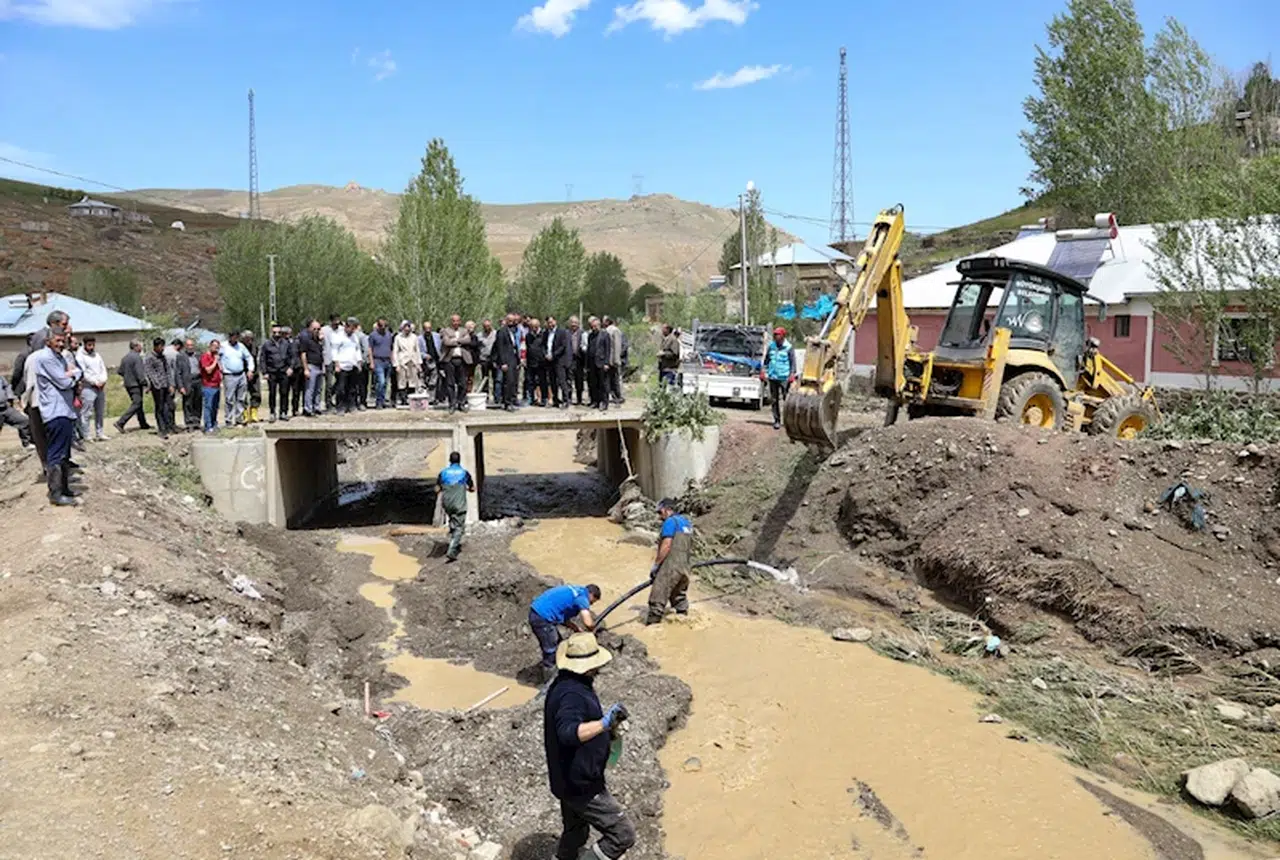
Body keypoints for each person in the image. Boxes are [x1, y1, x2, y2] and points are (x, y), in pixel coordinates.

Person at [544, 631, 636, 860]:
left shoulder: (566, 683)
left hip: (565, 777)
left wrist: (608, 731)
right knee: (622, 834)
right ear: (588, 666)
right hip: (581, 784)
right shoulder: (572, 695)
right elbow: (568, 733)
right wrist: (604, 724)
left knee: (576, 832)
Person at [34, 328, 82, 506]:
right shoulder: (45, 358)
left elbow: (75, 372)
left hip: (65, 409)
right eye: (58, 341)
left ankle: (65, 488)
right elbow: (64, 382)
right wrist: (72, 375)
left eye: (63, 341)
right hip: (56, 411)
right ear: (48, 341)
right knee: (56, 452)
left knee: (64, 452)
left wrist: (73, 374)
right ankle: (56, 492)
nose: (61, 344)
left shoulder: (59, 357)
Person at [529, 583, 602, 680]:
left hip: (539, 612)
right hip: (542, 617)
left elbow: (562, 617)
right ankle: (549, 682)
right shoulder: (582, 597)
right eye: (592, 602)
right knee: (551, 650)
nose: (590, 604)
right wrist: (591, 630)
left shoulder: (576, 591)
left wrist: (576, 628)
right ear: (591, 595)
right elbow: (588, 623)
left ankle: (560, 672)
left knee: (560, 645)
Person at [647, 499, 693, 625]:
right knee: (679, 597)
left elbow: (667, 545)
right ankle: (683, 624)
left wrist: (656, 565)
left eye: (660, 512)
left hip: (671, 567)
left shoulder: (670, 522)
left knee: (657, 598)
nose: (659, 516)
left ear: (667, 510)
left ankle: (652, 629)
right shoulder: (686, 523)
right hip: (685, 567)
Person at [436, 451, 475, 562]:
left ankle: (453, 540)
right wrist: (467, 488)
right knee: (459, 527)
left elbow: (437, 489)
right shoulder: (464, 473)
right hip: (459, 505)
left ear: (450, 460)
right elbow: (472, 488)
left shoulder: (443, 473)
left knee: (452, 520)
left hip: (447, 504)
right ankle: (452, 551)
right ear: (459, 460)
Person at [761, 326, 797, 431]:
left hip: (784, 377)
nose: (776, 336)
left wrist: (792, 374)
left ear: (783, 336)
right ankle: (776, 420)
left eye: (778, 335)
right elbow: (766, 360)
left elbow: (793, 363)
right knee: (774, 400)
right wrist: (763, 371)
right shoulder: (771, 347)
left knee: (787, 400)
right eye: (775, 335)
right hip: (773, 377)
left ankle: (788, 422)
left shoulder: (789, 347)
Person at [259, 325, 295, 422]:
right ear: (271, 333)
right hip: (272, 372)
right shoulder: (267, 344)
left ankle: (283, 412)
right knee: (272, 393)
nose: (277, 334)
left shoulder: (286, 343)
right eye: (275, 332)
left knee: (284, 393)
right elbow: (262, 359)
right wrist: (264, 372)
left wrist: (291, 368)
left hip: (284, 371)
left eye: (279, 332)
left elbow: (292, 356)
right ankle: (272, 413)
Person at [76, 336, 108, 441]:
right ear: (84, 344)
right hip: (88, 387)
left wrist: (103, 380)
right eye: (89, 345)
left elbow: (102, 368)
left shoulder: (97, 355)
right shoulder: (80, 357)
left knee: (100, 411)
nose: (92, 347)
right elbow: (83, 372)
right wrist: (94, 382)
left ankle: (100, 433)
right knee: (86, 412)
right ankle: (86, 434)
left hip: (100, 386)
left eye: (93, 345)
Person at [115, 339, 150, 433]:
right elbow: (140, 373)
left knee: (139, 404)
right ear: (136, 347)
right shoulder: (137, 358)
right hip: (135, 384)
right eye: (140, 346)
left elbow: (120, 371)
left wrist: (128, 376)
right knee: (137, 403)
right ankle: (121, 422)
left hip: (128, 384)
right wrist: (145, 383)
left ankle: (143, 423)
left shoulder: (125, 357)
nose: (141, 347)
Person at [220, 330, 254, 427]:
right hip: (229, 375)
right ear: (229, 337)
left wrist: (250, 370)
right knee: (229, 399)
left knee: (241, 398)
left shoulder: (241, 346)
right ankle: (229, 420)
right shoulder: (223, 346)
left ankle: (239, 419)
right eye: (233, 337)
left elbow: (249, 357)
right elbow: (217, 357)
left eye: (236, 337)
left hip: (241, 375)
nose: (235, 339)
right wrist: (221, 367)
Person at [145, 336, 176, 439]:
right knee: (160, 407)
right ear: (156, 346)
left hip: (166, 385)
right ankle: (162, 429)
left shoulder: (163, 357)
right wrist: (156, 384)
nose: (162, 348)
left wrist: (170, 384)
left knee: (168, 406)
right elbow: (150, 372)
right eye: (160, 346)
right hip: (157, 387)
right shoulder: (150, 357)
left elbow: (168, 371)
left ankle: (169, 426)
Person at [440, 314, 471, 413]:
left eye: (457, 321)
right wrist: (460, 341)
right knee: (450, 383)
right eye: (454, 321)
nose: (456, 323)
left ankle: (460, 403)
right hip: (450, 360)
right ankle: (452, 404)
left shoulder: (464, 330)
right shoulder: (446, 331)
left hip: (462, 360)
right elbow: (446, 342)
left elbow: (468, 340)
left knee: (463, 383)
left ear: (460, 321)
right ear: (451, 322)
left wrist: (455, 340)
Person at [331, 318, 361, 413]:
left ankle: (351, 405)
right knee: (341, 388)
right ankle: (340, 406)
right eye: (352, 328)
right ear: (347, 326)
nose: (353, 330)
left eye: (354, 328)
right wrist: (337, 364)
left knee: (352, 388)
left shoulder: (354, 337)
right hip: (342, 366)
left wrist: (359, 362)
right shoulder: (338, 336)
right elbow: (334, 351)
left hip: (352, 365)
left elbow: (357, 350)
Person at [298, 318, 325, 417]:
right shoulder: (306, 339)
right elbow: (303, 354)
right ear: (309, 329)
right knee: (310, 389)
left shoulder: (318, 340)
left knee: (318, 389)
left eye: (319, 329)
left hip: (319, 366)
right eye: (315, 329)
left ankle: (316, 406)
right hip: (311, 366)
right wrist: (306, 369)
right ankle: (308, 408)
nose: (317, 331)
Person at [495, 314, 521, 412]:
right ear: (506, 320)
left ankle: (512, 400)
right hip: (506, 360)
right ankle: (507, 402)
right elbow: (500, 348)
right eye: (509, 320)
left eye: (513, 320)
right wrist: (503, 363)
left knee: (513, 382)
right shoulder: (502, 332)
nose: (512, 322)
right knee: (507, 382)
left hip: (513, 359)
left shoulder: (513, 331)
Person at [368, 318, 395, 408]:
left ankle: (382, 400)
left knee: (386, 383)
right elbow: (370, 349)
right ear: (378, 326)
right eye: (381, 326)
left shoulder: (389, 335)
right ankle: (378, 401)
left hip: (387, 361)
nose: (383, 328)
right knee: (381, 381)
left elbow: (391, 348)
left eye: (385, 326)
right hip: (377, 360)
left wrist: (392, 360)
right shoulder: (373, 335)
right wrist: (371, 362)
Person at [393, 321, 421, 407]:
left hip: (412, 361)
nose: (407, 329)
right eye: (405, 328)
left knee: (413, 381)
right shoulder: (398, 338)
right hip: (402, 361)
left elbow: (417, 350)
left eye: (408, 328)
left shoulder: (414, 337)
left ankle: (411, 399)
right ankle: (403, 400)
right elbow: (395, 351)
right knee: (402, 381)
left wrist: (419, 363)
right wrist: (396, 364)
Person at [547, 316, 573, 409]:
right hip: (549, 361)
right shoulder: (546, 333)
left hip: (559, 360)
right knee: (552, 381)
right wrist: (545, 354)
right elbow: (544, 345)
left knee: (562, 381)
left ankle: (566, 400)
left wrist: (553, 355)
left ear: (555, 321)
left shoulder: (562, 332)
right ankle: (555, 400)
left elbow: (563, 346)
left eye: (551, 322)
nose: (550, 324)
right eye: (548, 322)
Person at [0, 372, 31, 448]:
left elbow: (7, 386)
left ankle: (27, 444)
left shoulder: (1, 378)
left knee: (24, 421)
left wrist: (10, 398)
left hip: (5, 407)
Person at [586, 317, 611, 412]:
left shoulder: (605, 335)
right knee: (593, 383)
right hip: (592, 363)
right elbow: (589, 350)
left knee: (603, 384)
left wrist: (606, 363)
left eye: (595, 326)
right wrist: (587, 364)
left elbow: (608, 350)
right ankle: (595, 401)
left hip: (601, 363)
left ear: (599, 325)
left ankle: (604, 402)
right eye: (592, 326)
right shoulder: (590, 336)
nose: (594, 328)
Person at [199, 339, 223, 433]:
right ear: (210, 346)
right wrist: (215, 361)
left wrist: (218, 362)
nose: (216, 348)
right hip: (208, 386)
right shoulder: (205, 357)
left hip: (216, 385)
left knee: (215, 407)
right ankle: (208, 426)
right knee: (208, 406)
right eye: (214, 346)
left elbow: (220, 369)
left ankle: (214, 424)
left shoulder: (215, 357)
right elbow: (208, 370)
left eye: (218, 347)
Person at [525, 318, 548, 407]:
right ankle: (530, 399)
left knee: (542, 381)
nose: (533, 328)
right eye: (531, 327)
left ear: (538, 326)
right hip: (531, 362)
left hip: (541, 363)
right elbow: (528, 348)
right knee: (530, 381)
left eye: (534, 326)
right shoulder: (528, 336)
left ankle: (544, 399)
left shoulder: (544, 335)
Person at [181, 339, 202, 430]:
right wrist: (180, 386)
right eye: (188, 345)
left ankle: (196, 421)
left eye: (192, 345)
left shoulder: (198, 355)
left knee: (198, 402)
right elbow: (178, 372)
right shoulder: (181, 356)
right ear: (185, 346)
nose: (190, 347)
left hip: (198, 380)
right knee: (188, 403)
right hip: (187, 381)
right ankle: (189, 423)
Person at [241, 331, 261, 423]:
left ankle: (254, 413)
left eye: (250, 338)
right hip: (243, 373)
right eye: (247, 338)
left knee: (256, 393)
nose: (249, 340)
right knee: (243, 395)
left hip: (254, 373)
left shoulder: (255, 346)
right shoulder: (240, 347)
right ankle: (245, 414)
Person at [604, 317, 624, 404]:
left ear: (608, 321)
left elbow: (617, 346)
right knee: (609, 379)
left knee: (615, 379)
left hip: (613, 360)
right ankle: (612, 395)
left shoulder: (615, 330)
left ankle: (617, 396)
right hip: (607, 360)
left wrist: (616, 360)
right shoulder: (606, 330)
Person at [477, 319, 497, 402]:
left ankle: (496, 396)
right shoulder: (479, 335)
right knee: (485, 378)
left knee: (496, 378)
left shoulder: (496, 334)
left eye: (488, 326)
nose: (487, 328)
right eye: (485, 326)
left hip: (494, 359)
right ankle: (486, 396)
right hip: (483, 359)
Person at [568, 316, 587, 406]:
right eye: (572, 322)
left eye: (575, 323)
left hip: (579, 360)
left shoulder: (583, 333)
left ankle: (579, 400)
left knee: (579, 381)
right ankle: (568, 399)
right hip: (569, 360)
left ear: (578, 324)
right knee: (568, 380)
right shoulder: (566, 333)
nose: (573, 324)